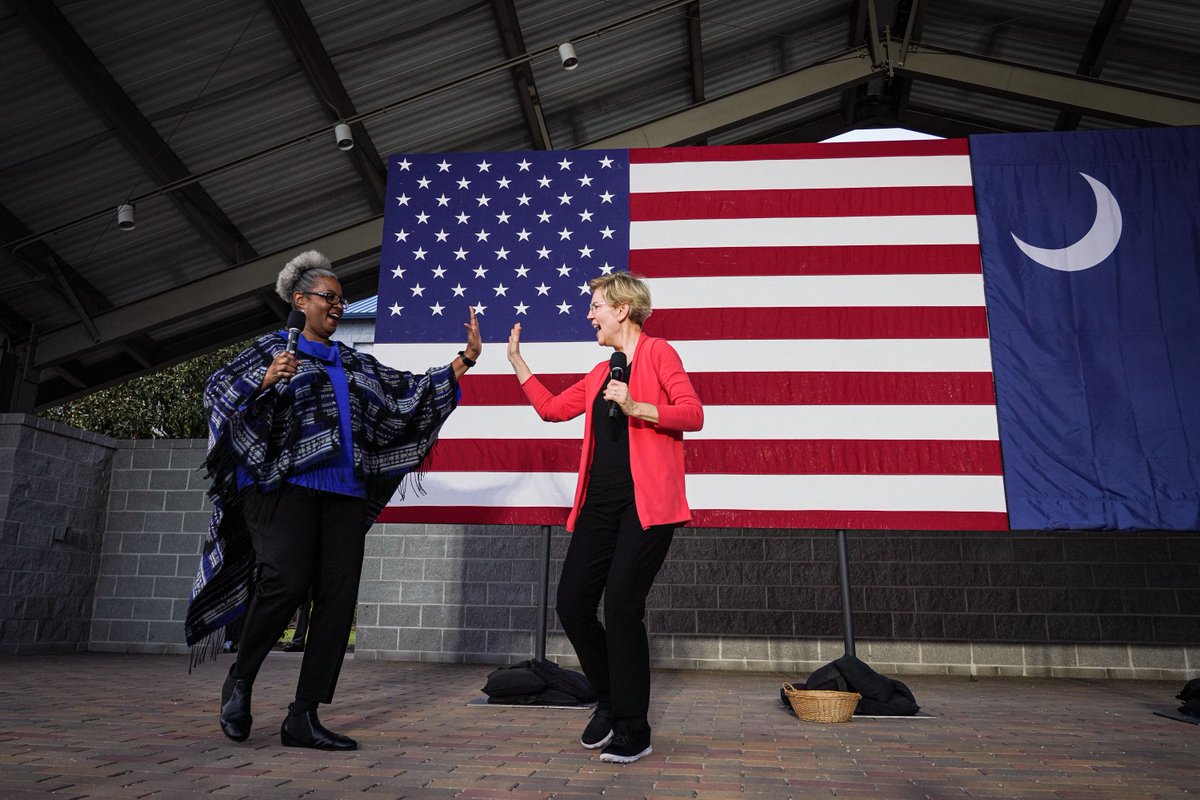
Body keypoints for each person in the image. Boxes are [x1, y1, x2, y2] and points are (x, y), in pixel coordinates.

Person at [184, 250, 481, 750]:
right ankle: (242, 677)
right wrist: (264, 380)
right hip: (283, 487)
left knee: (338, 600)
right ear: (300, 301)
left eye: (343, 300)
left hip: (345, 492)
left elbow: (405, 395)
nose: (339, 306)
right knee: (284, 580)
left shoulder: (353, 363)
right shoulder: (272, 349)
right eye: (330, 297)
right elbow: (217, 392)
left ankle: (303, 715)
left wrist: (466, 359)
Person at [505, 272, 703, 764]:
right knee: (572, 604)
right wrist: (518, 364)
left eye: (596, 306)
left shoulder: (660, 354)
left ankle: (634, 727)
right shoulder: (599, 374)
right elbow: (551, 410)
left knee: (620, 609)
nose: (589, 315)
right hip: (598, 507)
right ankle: (611, 699)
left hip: (646, 507)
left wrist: (636, 405)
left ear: (621, 309)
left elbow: (693, 413)